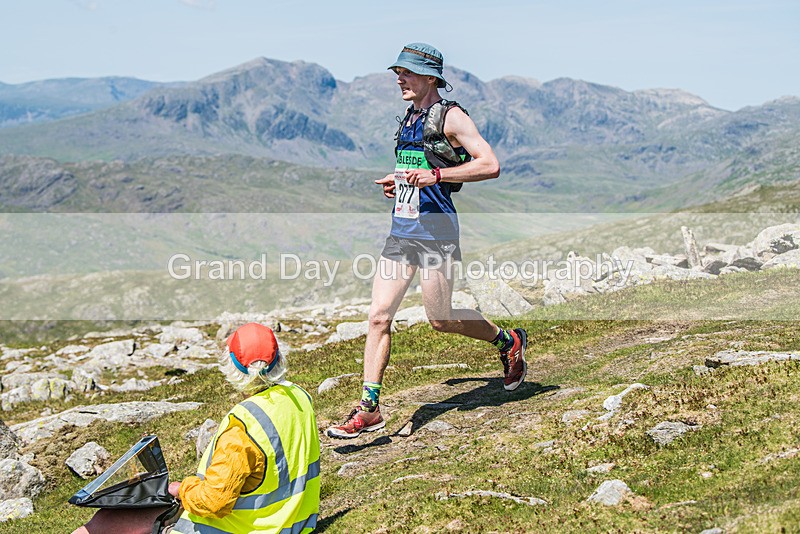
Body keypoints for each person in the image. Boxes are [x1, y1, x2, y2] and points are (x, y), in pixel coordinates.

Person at [326, 43, 527, 439]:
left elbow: (490, 164)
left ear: (431, 77)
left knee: (441, 319)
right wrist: (398, 181)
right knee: (379, 316)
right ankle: (369, 408)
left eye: (408, 73)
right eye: (398, 73)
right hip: (402, 230)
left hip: (436, 232)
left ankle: (508, 341)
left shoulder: (451, 117)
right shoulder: (409, 117)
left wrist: (436, 178)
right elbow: (418, 166)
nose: (399, 79)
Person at [74, 323, 320, 534]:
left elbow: (214, 502)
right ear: (279, 358)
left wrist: (181, 489)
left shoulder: (243, 428)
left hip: (241, 529)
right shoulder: (299, 396)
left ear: (231, 366)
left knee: (100, 523)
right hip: (295, 524)